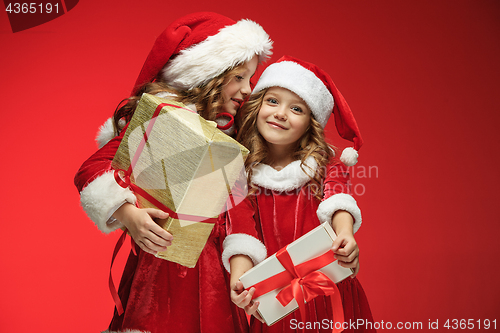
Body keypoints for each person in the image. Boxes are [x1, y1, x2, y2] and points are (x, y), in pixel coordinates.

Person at [74, 12, 272, 333]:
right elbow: (92, 169)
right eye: (239, 77)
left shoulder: (232, 138)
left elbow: (240, 211)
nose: (247, 88)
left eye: (250, 78)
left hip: (215, 278)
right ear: (209, 73)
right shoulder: (161, 120)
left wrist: (240, 266)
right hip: (159, 270)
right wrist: (128, 214)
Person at [222, 55, 375, 332]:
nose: (281, 113)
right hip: (280, 303)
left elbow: (338, 201)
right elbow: (241, 233)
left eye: (296, 108)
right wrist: (240, 278)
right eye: (272, 101)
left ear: (310, 123)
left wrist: (345, 234)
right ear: (257, 106)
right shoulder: (240, 175)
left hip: (331, 295)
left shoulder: (327, 165)